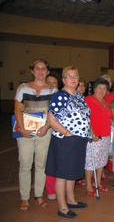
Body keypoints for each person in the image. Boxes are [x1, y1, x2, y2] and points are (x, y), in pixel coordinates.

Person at [45, 66, 90, 219]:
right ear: (63, 80)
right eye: (69, 76)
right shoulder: (60, 96)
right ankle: (62, 207)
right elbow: (51, 119)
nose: (73, 78)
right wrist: (67, 133)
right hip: (65, 140)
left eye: (75, 76)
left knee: (72, 172)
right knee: (62, 174)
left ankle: (71, 200)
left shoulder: (78, 95)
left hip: (78, 140)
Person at [15, 59, 57, 212]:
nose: (40, 71)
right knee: (25, 164)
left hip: (44, 132)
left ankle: (39, 194)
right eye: (37, 68)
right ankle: (25, 198)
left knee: (41, 165)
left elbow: (54, 112)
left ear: (47, 71)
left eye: (43, 68)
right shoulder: (23, 88)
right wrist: (22, 129)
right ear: (32, 71)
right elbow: (17, 110)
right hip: (25, 131)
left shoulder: (53, 90)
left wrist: (46, 127)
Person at [84, 78, 113, 196]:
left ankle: (98, 182)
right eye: (99, 88)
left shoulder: (106, 102)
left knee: (101, 160)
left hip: (106, 135)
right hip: (95, 136)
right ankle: (89, 185)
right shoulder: (89, 100)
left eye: (104, 88)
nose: (102, 90)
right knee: (91, 161)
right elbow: (86, 118)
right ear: (94, 89)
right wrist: (92, 133)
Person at [45, 72, 62, 201]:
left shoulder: (60, 97)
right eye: (48, 82)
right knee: (48, 162)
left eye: (54, 83)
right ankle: (50, 190)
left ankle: (59, 188)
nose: (51, 85)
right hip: (44, 131)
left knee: (58, 161)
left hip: (58, 132)